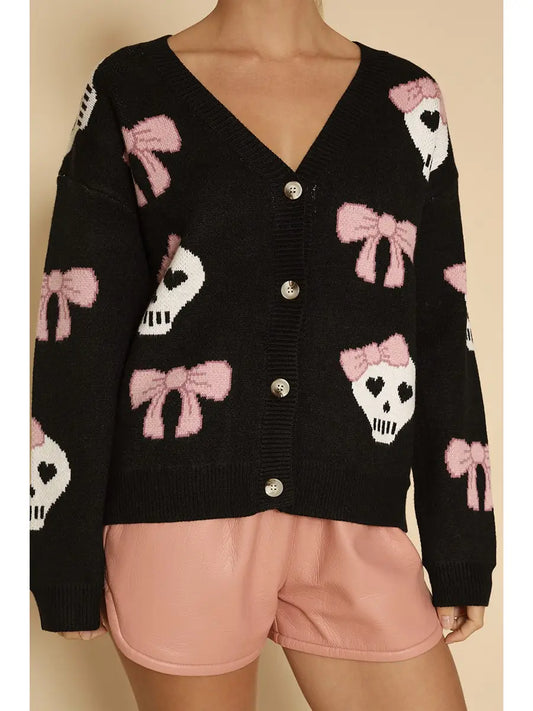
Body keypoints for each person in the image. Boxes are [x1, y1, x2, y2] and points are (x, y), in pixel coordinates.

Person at [30, 1, 497, 709]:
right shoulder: (131, 86)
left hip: (357, 515)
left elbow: (440, 322)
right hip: (178, 517)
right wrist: (61, 557)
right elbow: (78, 327)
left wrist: (461, 543)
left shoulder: (407, 99)